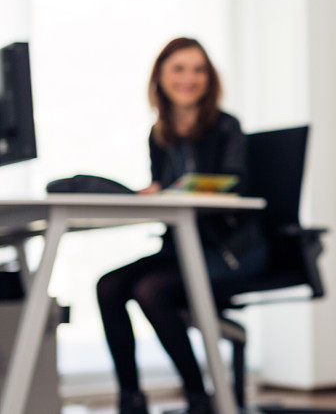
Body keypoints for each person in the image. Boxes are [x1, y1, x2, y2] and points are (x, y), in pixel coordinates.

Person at [96, 37, 268, 414]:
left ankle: (198, 397)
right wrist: (153, 195)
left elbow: (236, 183)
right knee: (107, 286)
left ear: (209, 78)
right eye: (179, 68)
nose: (189, 78)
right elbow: (164, 192)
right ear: (161, 76)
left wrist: (175, 191)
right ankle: (131, 399)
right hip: (180, 249)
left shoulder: (226, 127)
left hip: (232, 251)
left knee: (151, 289)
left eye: (198, 69)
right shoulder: (159, 135)